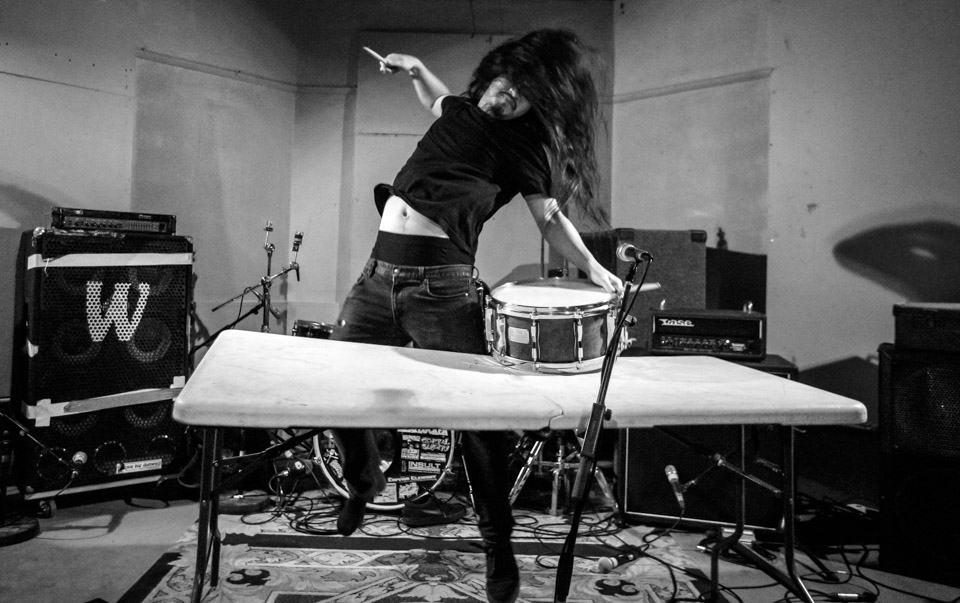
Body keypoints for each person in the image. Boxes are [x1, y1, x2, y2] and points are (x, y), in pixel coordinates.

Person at [328, 29, 622, 603]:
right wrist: (414, 65)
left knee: (479, 421)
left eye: (522, 94)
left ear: (541, 102)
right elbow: (435, 97)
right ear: (491, 75)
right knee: (338, 382)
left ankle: (498, 542)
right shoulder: (460, 111)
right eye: (503, 83)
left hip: (443, 289)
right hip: (375, 278)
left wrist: (589, 265)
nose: (505, 97)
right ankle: (364, 476)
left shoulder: (526, 147)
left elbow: (550, 218)